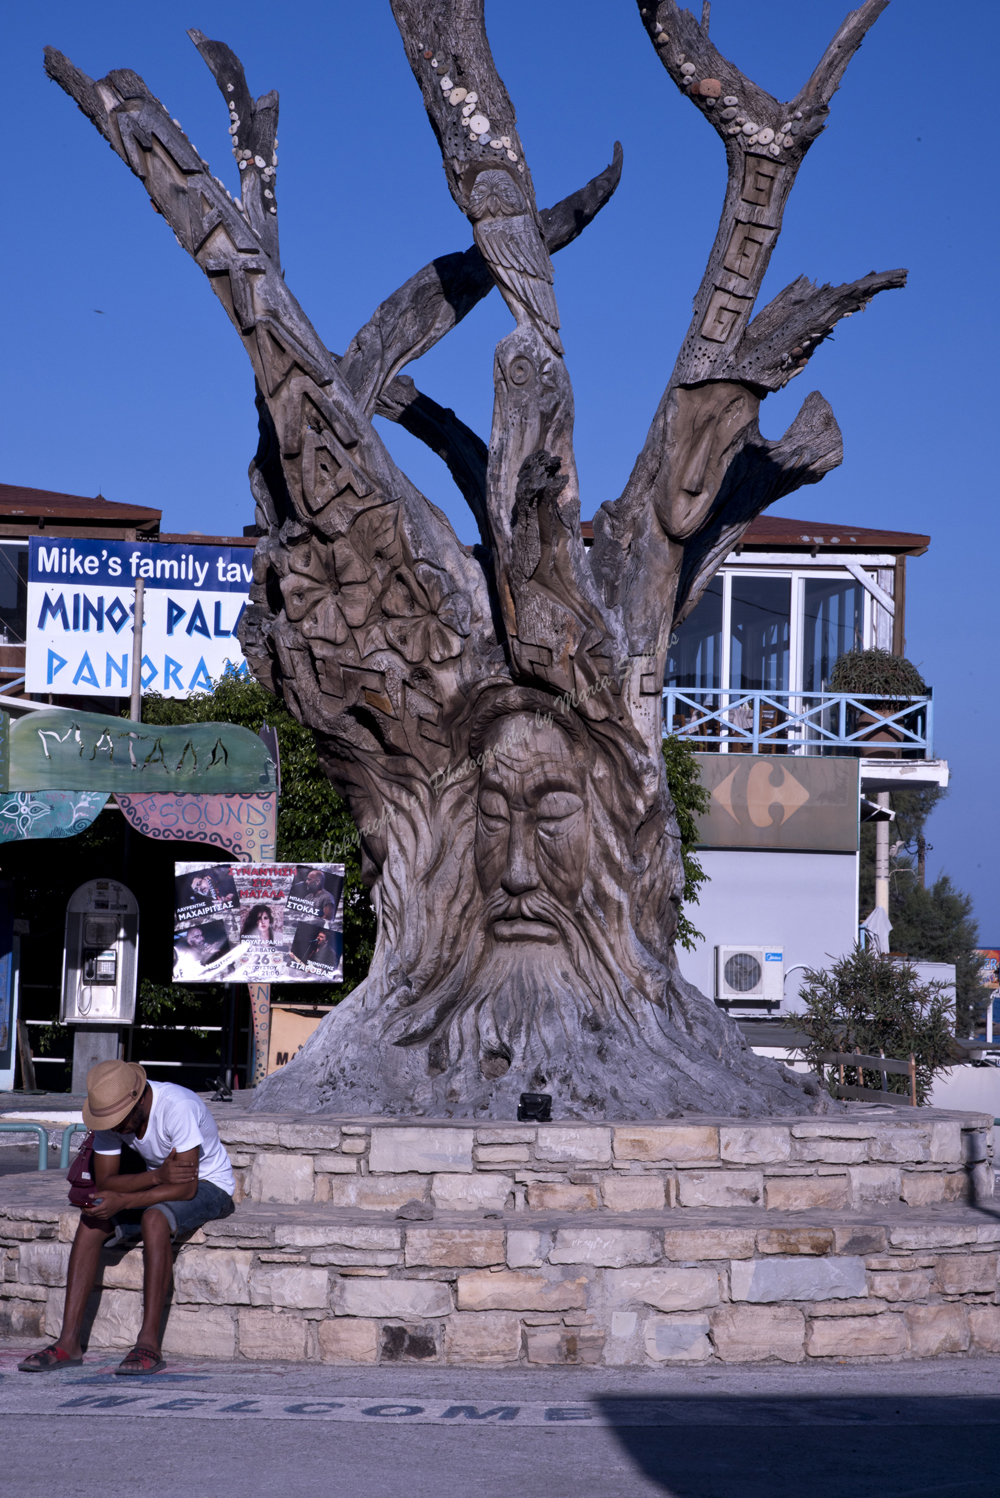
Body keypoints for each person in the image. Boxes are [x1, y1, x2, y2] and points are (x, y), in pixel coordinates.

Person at [18, 1060, 236, 1376]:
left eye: (120, 1121)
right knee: (92, 1217)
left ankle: (149, 1343)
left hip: (210, 1185)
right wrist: (157, 1176)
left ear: (138, 1098)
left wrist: (127, 1198)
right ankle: (69, 1343)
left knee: (153, 1219)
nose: (117, 1128)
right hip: (162, 1181)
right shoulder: (115, 1116)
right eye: (111, 1122)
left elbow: (187, 1188)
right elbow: (106, 1183)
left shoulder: (179, 1106)